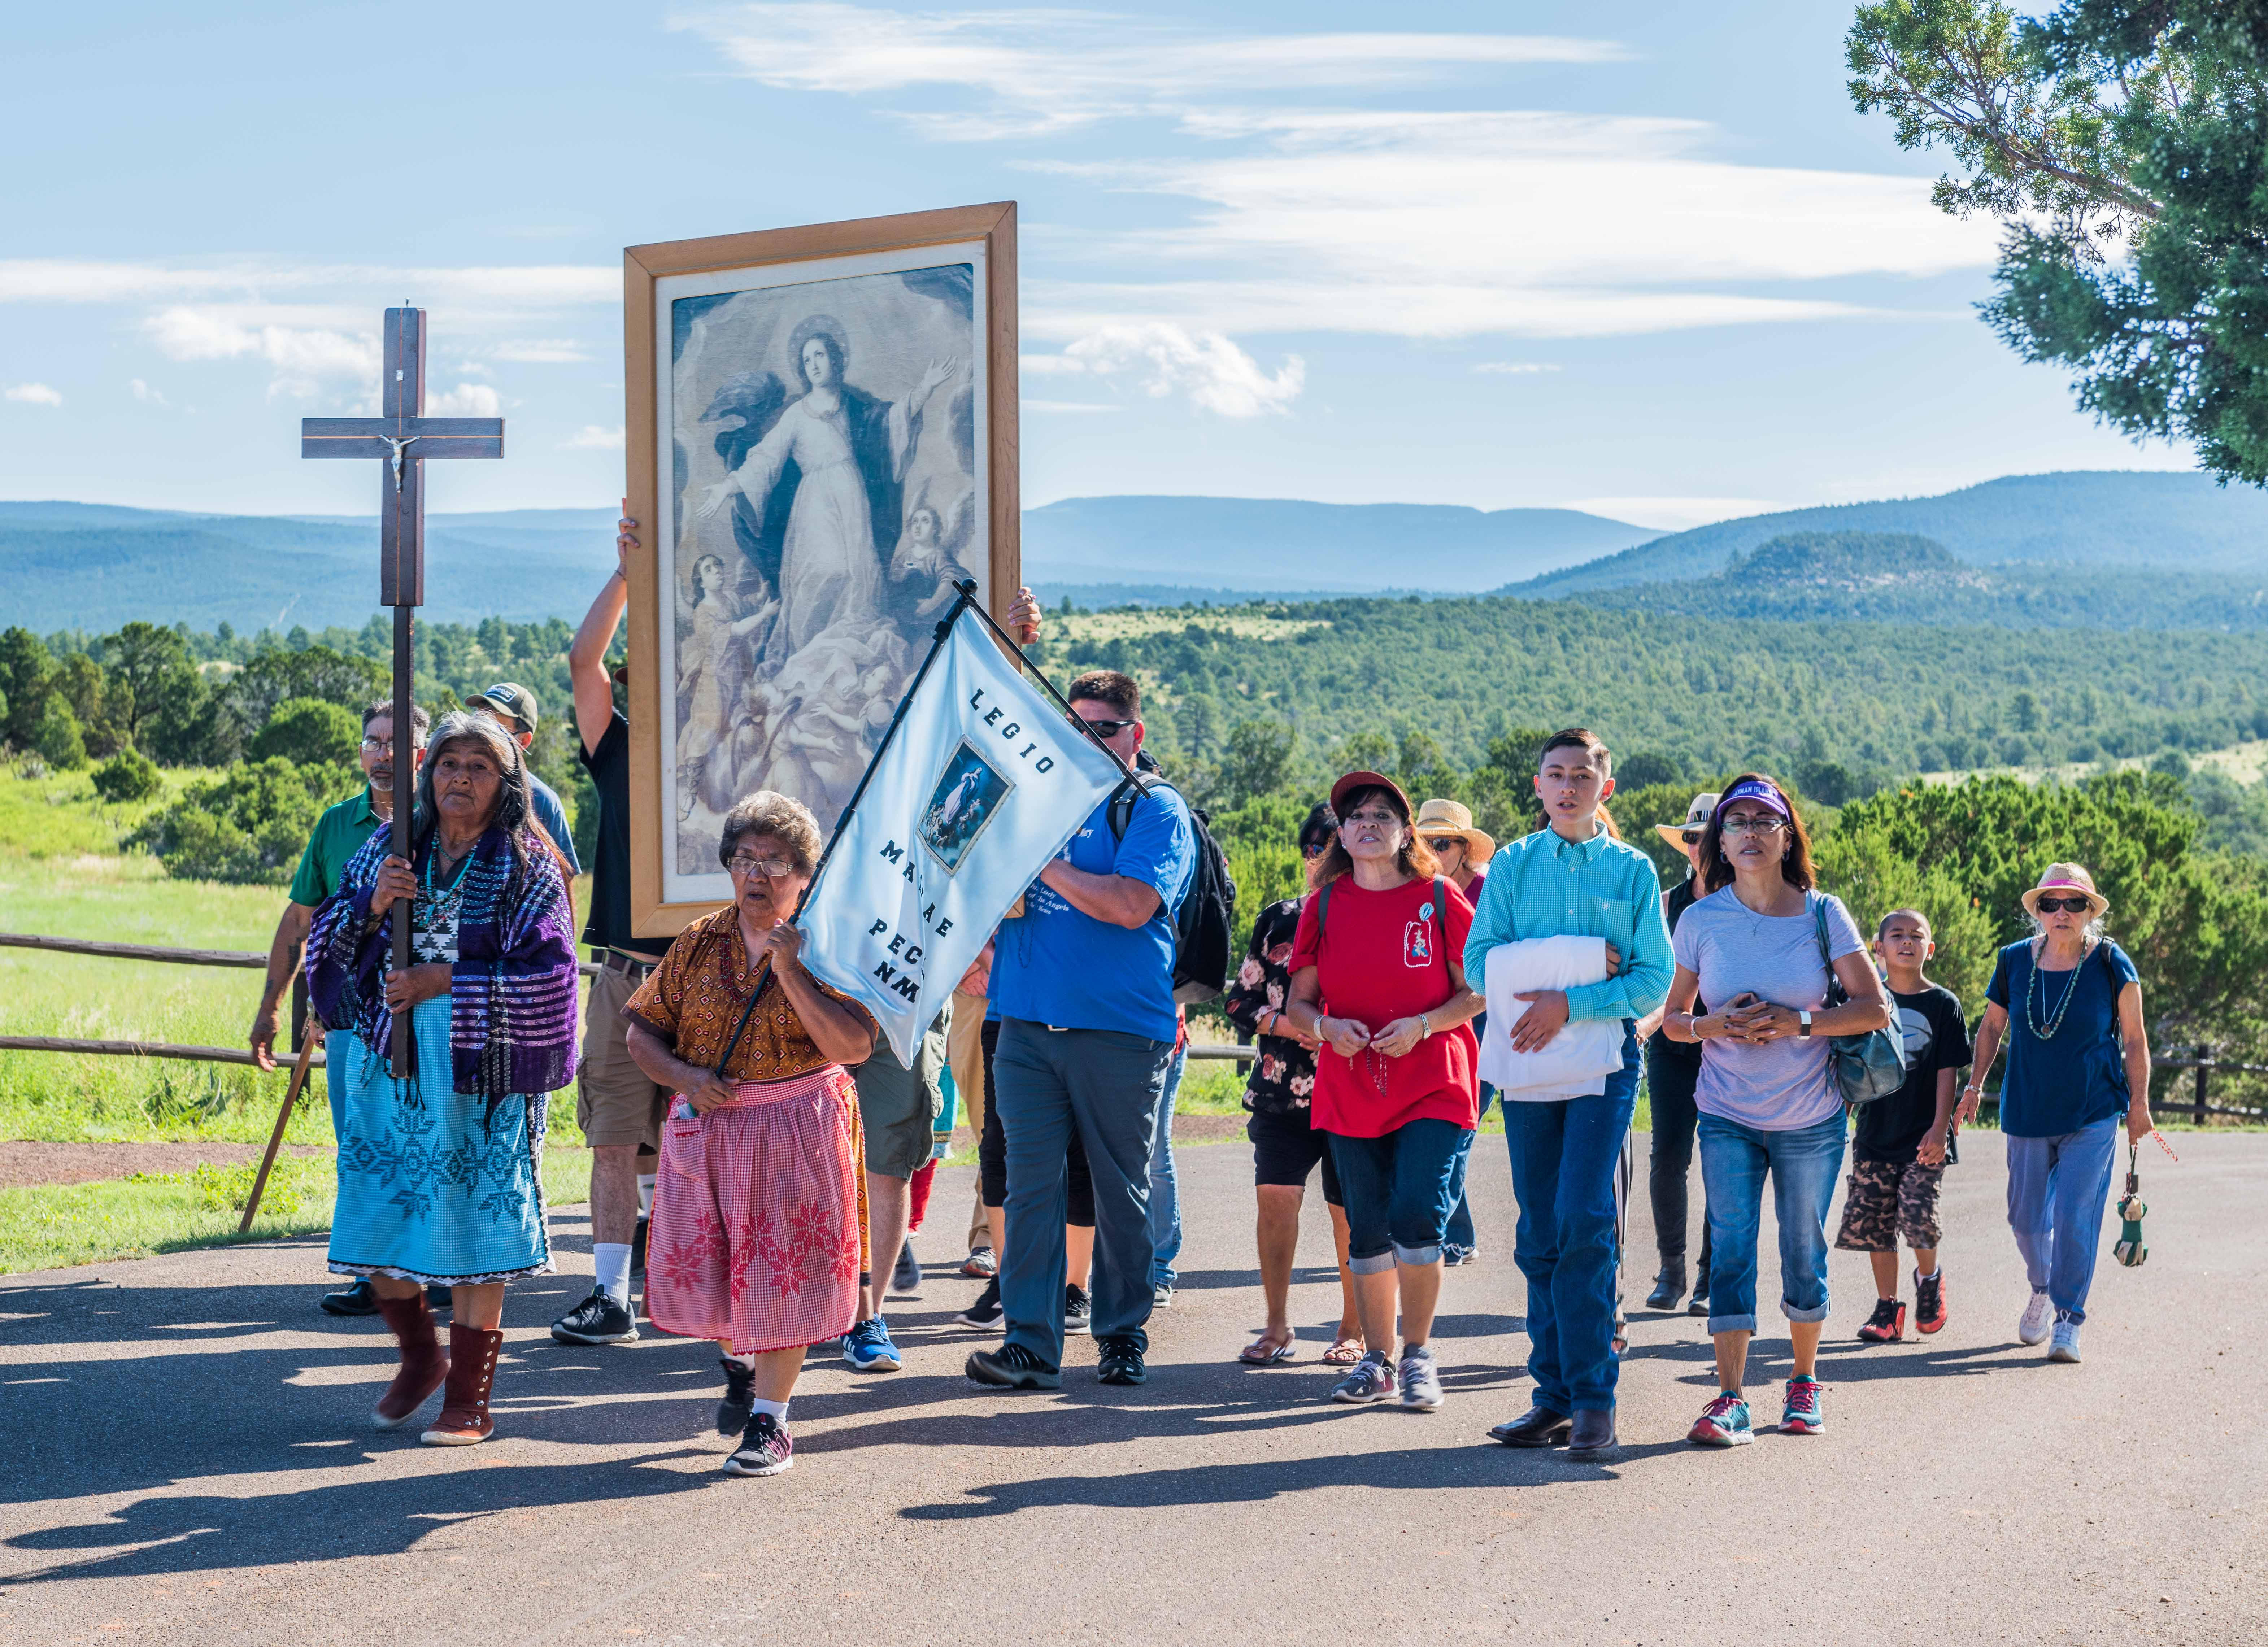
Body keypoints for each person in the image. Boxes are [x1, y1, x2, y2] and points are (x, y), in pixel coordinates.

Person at [307, 711, 580, 1447]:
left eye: (479, 766)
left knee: (472, 1221)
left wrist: (446, 979)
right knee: (377, 1210)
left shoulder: (527, 866)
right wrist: (372, 904)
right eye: (449, 764)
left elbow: (553, 978)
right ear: (428, 775)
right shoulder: (389, 851)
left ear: (506, 782)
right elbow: (328, 939)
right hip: (387, 1059)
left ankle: (469, 1398)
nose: (460, 777)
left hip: (479, 1069)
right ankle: (421, 1356)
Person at [622, 791, 879, 1478]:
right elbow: (640, 1030)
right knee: (722, 1275)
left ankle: (771, 1422)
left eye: (775, 861)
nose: (758, 874)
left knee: (782, 1274)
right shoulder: (699, 940)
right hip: (711, 1128)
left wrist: (789, 967)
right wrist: (682, 1075)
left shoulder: (831, 944)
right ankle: (741, 1365)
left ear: (804, 875)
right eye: (744, 858)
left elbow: (851, 1044)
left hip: (800, 1124)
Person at [966, 669, 1196, 1392]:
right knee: (1030, 1186)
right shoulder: (1028, 801)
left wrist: (1044, 861)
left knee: (1119, 1187)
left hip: (1122, 1031)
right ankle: (1030, 1342)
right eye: (1077, 728)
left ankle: (1122, 1334)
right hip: (1024, 1024)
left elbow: (1130, 904)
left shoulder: (1155, 808)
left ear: (1136, 734)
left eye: (1104, 729)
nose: (1090, 741)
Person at [1659, 776, 1892, 1447]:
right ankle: (1729, 1397)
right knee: (1730, 1247)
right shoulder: (1700, 919)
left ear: (1787, 836)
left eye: (1766, 820)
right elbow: (1673, 1020)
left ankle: (1801, 1380)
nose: (1751, 832)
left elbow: (1872, 1007)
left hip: (1810, 1115)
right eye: (1737, 822)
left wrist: (1797, 1021)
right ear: (1718, 842)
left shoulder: (1824, 912)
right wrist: (1713, 1027)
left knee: (1801, 1247)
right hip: (1726, 1111)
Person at [1467, 731, 1672, 1459]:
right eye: (1555, 773)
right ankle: (1550, 1397)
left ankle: (1593, 1400)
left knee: (1585, 1221)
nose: (1568, 785)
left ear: (1604, 789)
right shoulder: (1514, 865)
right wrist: (1579, 965)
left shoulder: (1633, 869)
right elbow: (1476, 959)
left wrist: (1570, 998)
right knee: (1539, 1233)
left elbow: (1652, 979)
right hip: (1527, 1064)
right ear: (1538, 783)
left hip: (1603, 1065)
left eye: (1582, 775)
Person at [1282, 771, 1484, 1412]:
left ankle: (1419, 1354)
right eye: (1355, 815)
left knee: (1416, 1215)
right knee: (1364, 1228)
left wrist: (1425, 1024)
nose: (1366, 823)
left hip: (1432, 1080)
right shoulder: (1322, 904)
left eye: (1382, 814)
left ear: (1405, 832)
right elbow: (1298, 1001)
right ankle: (1377, 1359)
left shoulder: (1439, 897)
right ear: (1340, 833)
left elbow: (1476, 989)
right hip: (1350, 1084)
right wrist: (1323, 1027)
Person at [251, 698, 430, 1318]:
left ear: (421, 753)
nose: (382, 752)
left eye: (395, 741)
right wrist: (272, 1006)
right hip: (353, 1018)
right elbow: (301, 920)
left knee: (426, 1138)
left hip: (429, 1014)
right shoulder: (336, 823)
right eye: (372, 741)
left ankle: (434, 1269)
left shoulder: (439, 819)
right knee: (362, 1143)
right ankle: (373, 1275)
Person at [550, 525, 669, 1349]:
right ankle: (611, 1294)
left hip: (712, 977)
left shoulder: (734, 761)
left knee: (695, 1137)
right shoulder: (617, 746)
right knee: (615, 1135)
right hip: (625, 973)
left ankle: (679, 1279)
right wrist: (627, 576)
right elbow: (581, 663)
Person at [1958, 864, 2153, 1364]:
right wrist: (1974, 1085)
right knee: (2024, 1219)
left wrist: (2139, 1104)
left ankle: (2068, 1318)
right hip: (2026, 1107)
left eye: (2073, 903)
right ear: (2038, 911)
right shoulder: (2011, 961)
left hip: (2091, 1109)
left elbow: (2133, 1039)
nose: (2061, 912)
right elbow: (1989, 1029)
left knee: (2073, 1216)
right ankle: (2041, 1287)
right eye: (2050, 903)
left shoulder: (2111, 963)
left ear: (2090, 910)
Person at [1222, 801, 1364, 1367]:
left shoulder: (1374, 918)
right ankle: (1277, 1326)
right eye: (1309, 848)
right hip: (1283, 1088)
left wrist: (1334, 1034)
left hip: (1354, 1086)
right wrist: (1290, 1025)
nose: (1316, 860)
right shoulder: (1279, 917)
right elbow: (1239, 999)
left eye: (1326, 848)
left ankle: (1352, 1328)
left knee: (1348, 1212)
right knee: (1275, 1200)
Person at [1837, 909, 1971, 1343]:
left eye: (1917, 936)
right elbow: (1850, 1067)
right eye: (1896, 935)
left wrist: (1940, 1128)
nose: (1907, 942)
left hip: (1923, 1136)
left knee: (1917, 1214)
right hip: (1875, 1133)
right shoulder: (1864, 1002)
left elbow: (1947, 1071)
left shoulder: (1942, 1004)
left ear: (1929, 949)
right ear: (1878, 949)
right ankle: (1887, 1309)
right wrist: (1841, 1120)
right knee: (1875, 1224)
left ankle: (1929, 1280)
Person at [839, 1004, 950, 1372]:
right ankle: (816, 1306)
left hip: (907, 999)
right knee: (803, 1158)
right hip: (810, 985)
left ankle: (866, 1319)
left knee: (888, 1164)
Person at [1644, 791, 1719, 1315]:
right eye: (1691, 838)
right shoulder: (1668, 902)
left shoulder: (1748, 901)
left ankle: (1710, 1274)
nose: (1697, 847)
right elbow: (1654, 976)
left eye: (1707, 837)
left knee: (1721, 1160)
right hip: (1673, 1044)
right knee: (1668, 1155)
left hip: (1730, 1047)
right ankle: (1671, 1267)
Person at [1418, 799, 1496, 1268]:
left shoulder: (1490, 890)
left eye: (1441, 842)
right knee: (1445, 1126)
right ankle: (1455, 1233)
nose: (1431, 850)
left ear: (1464, 849)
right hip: (1439, 1018)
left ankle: (1440, 1232)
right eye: (1423, 841)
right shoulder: (1418, 891)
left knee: (1460, 1128)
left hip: (1490, 1019)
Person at [464, 682, 583, 875]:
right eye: (477, 724)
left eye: (494, 730)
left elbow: (563, 879)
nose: (480, 737)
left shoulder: (543, 801)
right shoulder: (451, 781)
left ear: (524, 741)